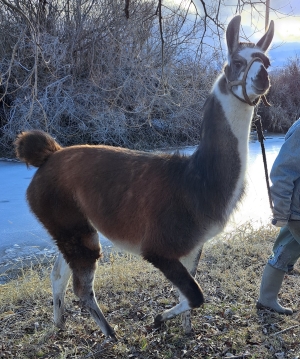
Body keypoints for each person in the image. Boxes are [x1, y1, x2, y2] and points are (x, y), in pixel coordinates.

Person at [256, 118, 300, 315]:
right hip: (298, 212)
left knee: (284, 251)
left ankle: (266, 300)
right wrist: (281, 213)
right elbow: (282, 172)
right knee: (285, 250)